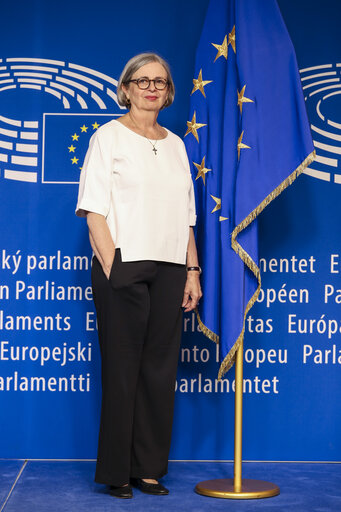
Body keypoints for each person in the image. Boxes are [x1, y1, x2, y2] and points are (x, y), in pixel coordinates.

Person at [76, 52, 202, 499]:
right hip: (123, 265)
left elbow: (186, 215)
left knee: (158, 372)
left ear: (168, 93)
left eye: (161, 82)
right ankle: (116, 472)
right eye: (142, 80)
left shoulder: (176, 145)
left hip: (170, 267)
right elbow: (93, 212)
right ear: (126, 87)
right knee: (123, 371)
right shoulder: (107, 137)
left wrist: (191, 270)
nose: (152, 87)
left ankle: (149, 468)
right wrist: (115, 270)